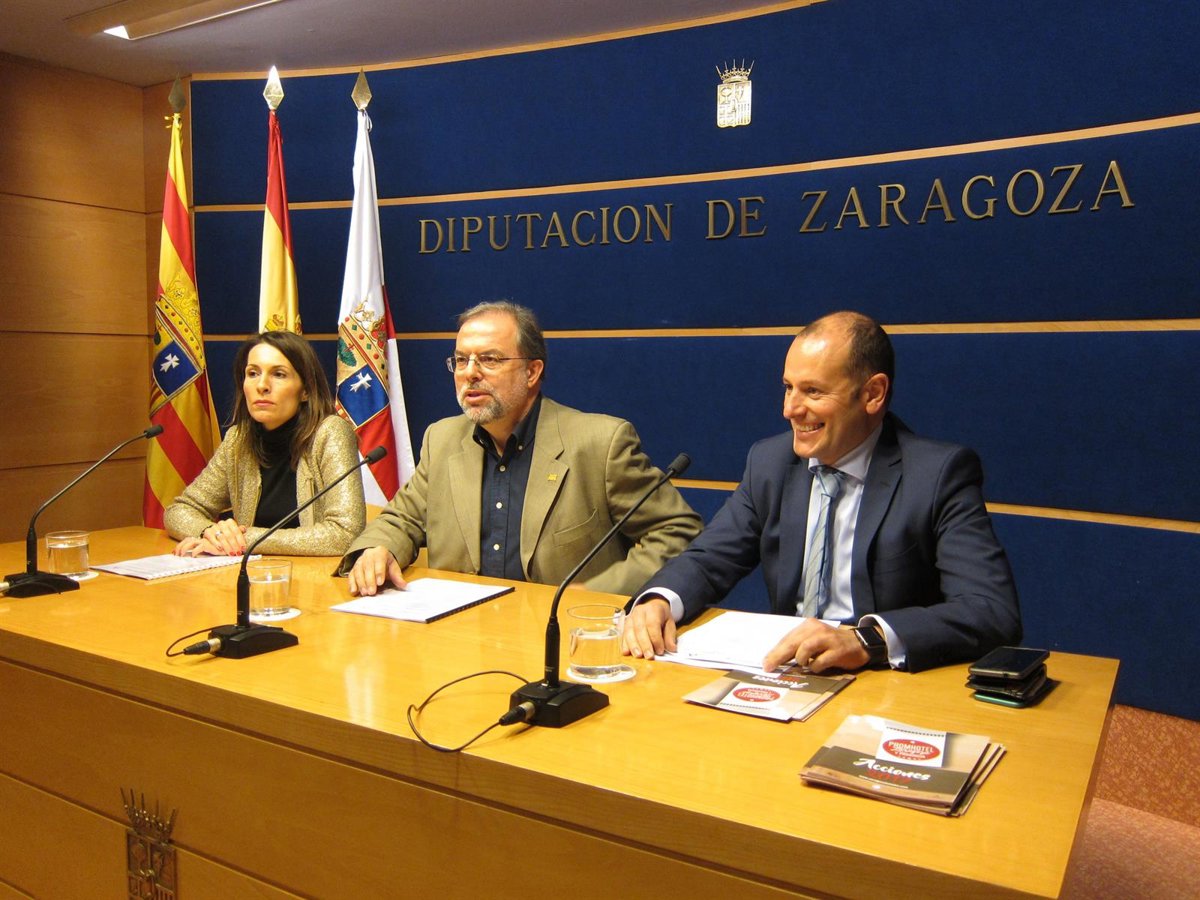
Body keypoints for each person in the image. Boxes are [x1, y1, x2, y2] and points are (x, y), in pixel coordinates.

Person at [622, 311, 1020, 674]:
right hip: (786, 674)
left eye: (813, 391)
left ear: (873, 394)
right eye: (788, 388)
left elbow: (990, 611)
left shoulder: (936, 475)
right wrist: (660, 600)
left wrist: (867, 640)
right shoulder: (770, 463)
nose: (790, 409)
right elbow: (709, 559)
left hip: (882, 683)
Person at [341, 301, 702, 595]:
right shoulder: (443, 439)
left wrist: (600, 593)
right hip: (458, 635)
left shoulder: (600, 443)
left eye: (490, 359)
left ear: (532, 372)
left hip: (561, 634)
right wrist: (379, 549)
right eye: (461, 360)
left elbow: (678, 532)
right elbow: (402, 519)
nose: (470, 373)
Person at [165, 330, 366, 556]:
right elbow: (180, 510)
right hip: (248, 571)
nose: (262, 385)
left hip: (312, 575)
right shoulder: (238, 440)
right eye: (252, 373)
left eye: (278, 374)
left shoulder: (330, 433)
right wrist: (212, 533)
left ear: (306, 391)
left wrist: (243, 540)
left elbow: (345, 533)